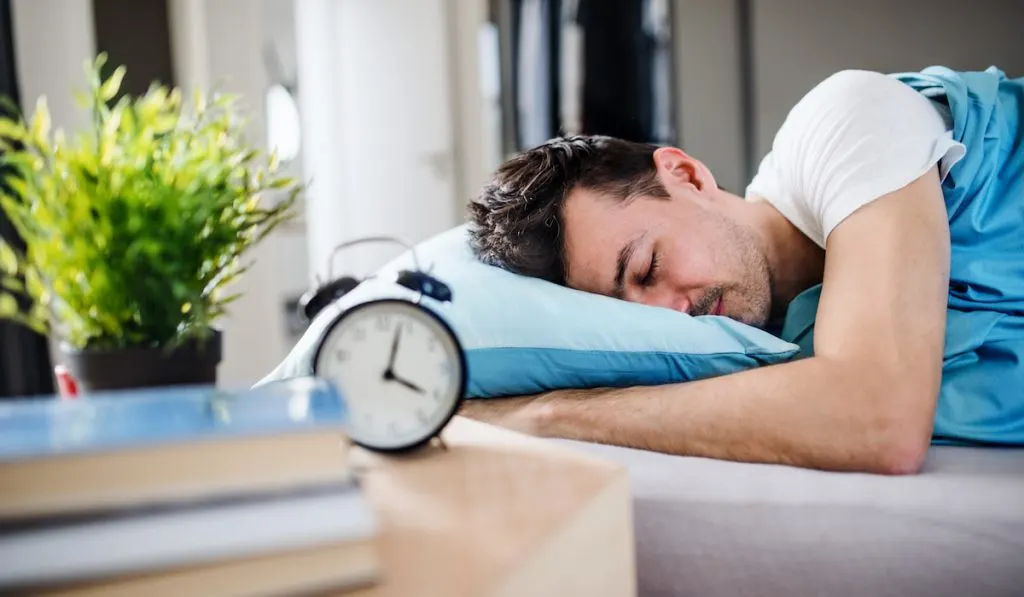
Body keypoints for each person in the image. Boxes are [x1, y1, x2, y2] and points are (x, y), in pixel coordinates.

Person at [461, 66, 1024, 474]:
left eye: (648, 266)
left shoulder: (845, 121)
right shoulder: (750, 360)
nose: (668, 315)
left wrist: (549, 415)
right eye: (627, 315)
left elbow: (882, 421)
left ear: (685, 174)